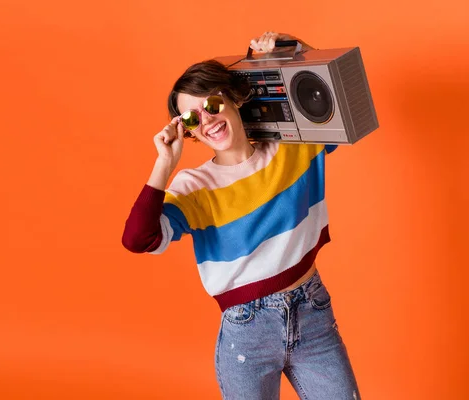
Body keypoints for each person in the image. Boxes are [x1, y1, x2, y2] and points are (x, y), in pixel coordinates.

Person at [122, 31, 362, 400]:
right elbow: (138, 240)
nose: (206, 121)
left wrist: (288, 49)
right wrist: (163, 165)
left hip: (313, 311)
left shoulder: (294, 146)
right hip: (247, 329)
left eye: (213, 106)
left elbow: (332, 92)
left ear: (234, 99)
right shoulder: (193, 186)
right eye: (190, 118)